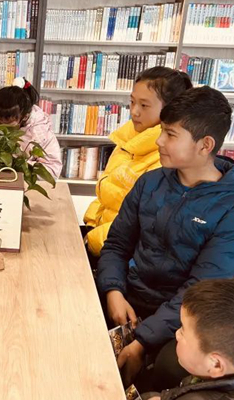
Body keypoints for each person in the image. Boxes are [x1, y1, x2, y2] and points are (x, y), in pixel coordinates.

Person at [96, 86, 234, 388]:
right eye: (162, 131)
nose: (158, 141)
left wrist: (144, 339)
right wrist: (113, 290)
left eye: (170, 134)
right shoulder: (150, 182)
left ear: (205, 145)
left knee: (171, 366)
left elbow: (200, 291)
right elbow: (117, 244)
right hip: (130, 295)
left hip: (181, 319)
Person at [83, 67, 193, 257]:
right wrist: (90, 224)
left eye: (144, 105)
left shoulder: (166, 158)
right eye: (132, 102)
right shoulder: (127, 138)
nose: (134, 111)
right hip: (99, 233)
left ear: (170, 110)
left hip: (117, 250)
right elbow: (107, 193)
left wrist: (90, 240)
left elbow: (138, 226)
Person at [0, 78, 62, 181]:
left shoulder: (40, 131)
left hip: (24, 184)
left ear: (25, 117)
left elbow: (53, 170)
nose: (2, 128)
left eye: (8, 126)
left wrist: (20, 166)